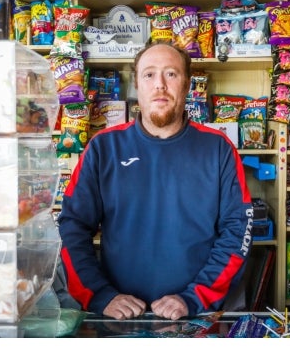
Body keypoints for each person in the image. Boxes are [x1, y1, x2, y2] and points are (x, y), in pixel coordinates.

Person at [57, 41, 253, 320]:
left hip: (197, 316)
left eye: (171, 74)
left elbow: (238, 232)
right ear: (137, 84)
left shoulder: (218, 149)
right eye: (149, 74)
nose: (159, 84)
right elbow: (72, 227)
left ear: (186, 85)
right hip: (118, 318)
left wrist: (195, 296)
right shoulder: (103, 148)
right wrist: (100, 294)